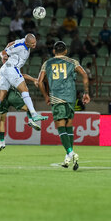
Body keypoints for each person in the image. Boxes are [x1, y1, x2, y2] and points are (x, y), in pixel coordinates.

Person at [37, 41, 90, 170]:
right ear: (65, 51)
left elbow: (39, 82)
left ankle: (71, 153)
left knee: (60, 126)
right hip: (71, 97)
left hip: (57, 97)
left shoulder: (47, 63)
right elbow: (84, 74)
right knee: (69, 125)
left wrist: (45, 96)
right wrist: (86, 93)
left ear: (54, 51)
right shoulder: (73, 62)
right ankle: (68, 155)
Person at [0, 34, 48, 132]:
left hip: (5, 70)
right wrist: (4, 56)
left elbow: (10, 43)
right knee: (24, 89)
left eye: (35, 42)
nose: (34, 45)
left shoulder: (23, 41)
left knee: (1, 96)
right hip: (11, 68)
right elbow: (4, 51)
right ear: (27, 43)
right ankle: (34, 114)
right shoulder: (21, 47)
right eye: (32, 43)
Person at [0, 57, 41, 152]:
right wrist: (33, 79)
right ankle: (30, 120)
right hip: (11, 95)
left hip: (1, 99)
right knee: (28, 107)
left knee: (1, 120)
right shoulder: (11, 70)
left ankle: (2, 143)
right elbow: (24, 75)